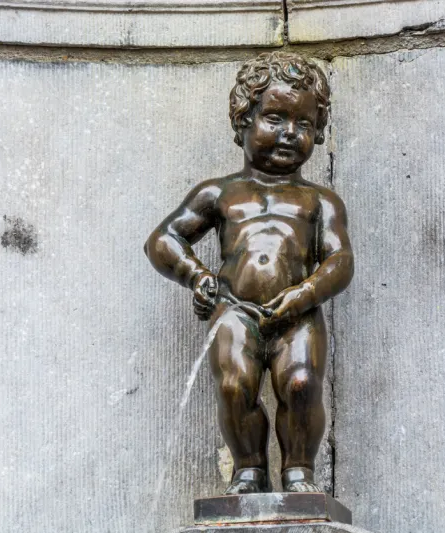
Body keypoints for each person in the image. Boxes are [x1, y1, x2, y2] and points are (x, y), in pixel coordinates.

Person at [144, 51, 354, 494]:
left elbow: (340, 260)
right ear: (243, 120)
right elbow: (163, 240)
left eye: (303, 124)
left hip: (297, 311)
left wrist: (304, 294)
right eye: (274, 118)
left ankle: (299, 470)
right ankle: (249, 470)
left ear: (318, 134)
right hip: (235, 310)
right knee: (236, 386)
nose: (288, 134)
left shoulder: (320, 201)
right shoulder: (221, 193)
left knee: (301, 384)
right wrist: (196, 276)